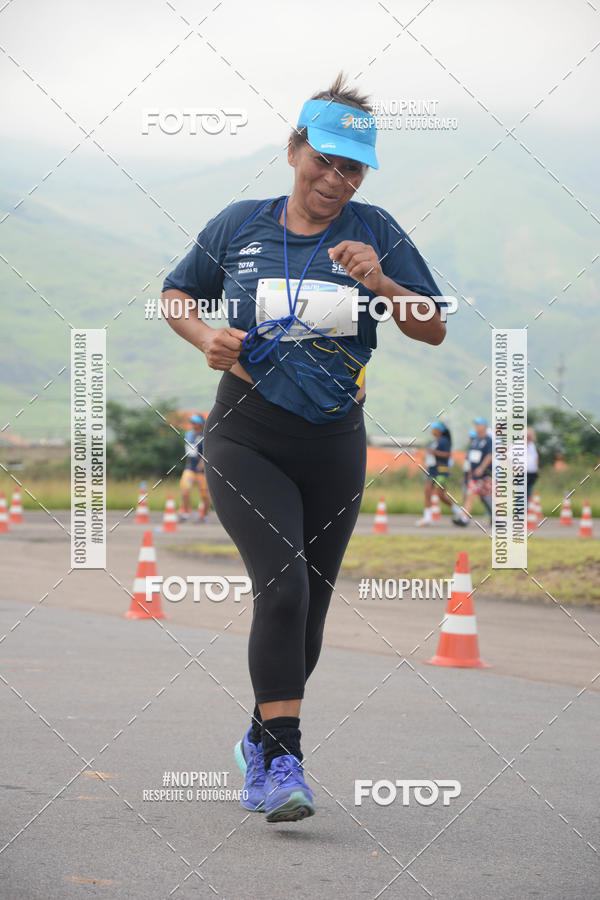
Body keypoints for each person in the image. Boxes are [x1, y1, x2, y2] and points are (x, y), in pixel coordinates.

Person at [161, 74, 446, 823]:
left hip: (335, 444)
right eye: (324, 160)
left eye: (352, 168)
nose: (335, 179)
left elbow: (432, 325)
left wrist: (382, 282)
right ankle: (282, 768)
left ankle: (261, 740)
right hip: (247, 433)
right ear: (294, 150)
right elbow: (175, 293)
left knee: (310, 610)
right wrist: (205, 337)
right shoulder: (240, 224)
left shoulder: (377, 229)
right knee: (281, 590)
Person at [416, 422, 462, 525]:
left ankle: (458, 511)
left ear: (439, 430)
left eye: (434, 428)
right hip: (431, 470)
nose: (432, 431)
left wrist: (434, 452)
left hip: (441, 471)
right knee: (427, 491)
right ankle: (427, 517)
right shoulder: (432, 442)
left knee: (441, 495)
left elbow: (448, 454)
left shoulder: (444, 441)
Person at [453, 417, 493, 526]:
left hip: (487, 475)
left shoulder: (489, 441)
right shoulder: (475, 441)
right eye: (476, 425)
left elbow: (490, 455)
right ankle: (464, 519)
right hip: (475, 476)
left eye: (479, 425)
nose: (476, 427)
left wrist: (482, 468)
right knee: (469, 495)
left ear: (484, 426)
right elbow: (471, 458)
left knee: (489, 498)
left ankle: (497, 518)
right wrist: (470, 472)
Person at [179, 414, 211, 522]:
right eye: (191, 423)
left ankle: (204, 515)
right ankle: (187, 513)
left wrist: (203, 462)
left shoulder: (205, 436)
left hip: (202, 471)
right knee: (184, 490)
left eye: (195, 423)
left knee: (205, 495)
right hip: (190, 468)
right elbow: (188, 452)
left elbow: (208, 451)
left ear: (200, 424)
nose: (193, 425)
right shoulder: (188, 435)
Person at [461, 429, 476, 505]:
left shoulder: (476, 448)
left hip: (472, 475)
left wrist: (470, 474)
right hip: (467, 474)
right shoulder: (470, 448)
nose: (471, 440)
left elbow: (473, 463)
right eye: (471, 438)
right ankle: (464, 511)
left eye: (473, 438)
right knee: (465, 493)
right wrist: (465, 476)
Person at [526, 427, 539, 502]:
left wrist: (536, 469)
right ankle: (519, 512)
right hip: (521, 474)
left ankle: (526, 511)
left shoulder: (532, 445)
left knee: (528, 493)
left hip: (532, 473)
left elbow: (536, 457)